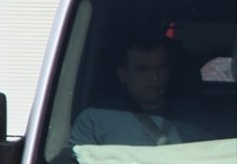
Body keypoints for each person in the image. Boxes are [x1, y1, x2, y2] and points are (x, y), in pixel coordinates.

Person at [70, 34, 214, 148]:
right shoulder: (94, 119)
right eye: (143, 69)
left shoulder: (195, 117)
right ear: (123, 74)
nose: (154, 77)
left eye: (161, 68)